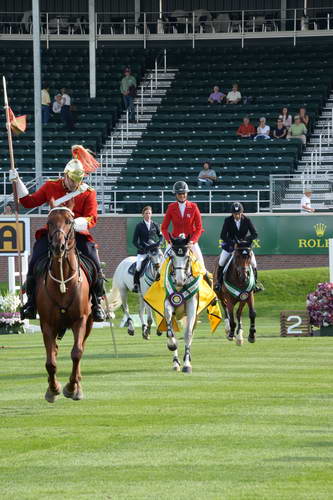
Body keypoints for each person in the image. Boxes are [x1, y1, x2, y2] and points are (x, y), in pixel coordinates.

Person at [9, 145, 105, 322]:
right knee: (35, 258)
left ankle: (97, 302)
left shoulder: (88, 193)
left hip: (77, 233)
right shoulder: (51, 186)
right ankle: (31, 303)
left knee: (94, 260)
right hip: (53, 233)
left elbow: (92, 218)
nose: (74, 184)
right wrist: (18, 182)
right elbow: (29, 202)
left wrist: (79, 223)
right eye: (71, 180)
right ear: (65, 175)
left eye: (78, 181)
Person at [161, 181, 212, 287]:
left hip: (190, 242)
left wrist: (192, 241)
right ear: (176, 195)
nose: (182, 195)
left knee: (201, 265)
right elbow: (164, 228)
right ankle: (159, 282)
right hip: (175, 242)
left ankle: (208, 284)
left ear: (187, 194)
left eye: (184, 193)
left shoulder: (193, 207)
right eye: (180, 194)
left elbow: (199, 228)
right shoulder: (171, 207)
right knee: (162, 262)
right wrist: (169, 240)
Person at [214, 202, 263, 293]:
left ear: (242, 212)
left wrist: (245, 240)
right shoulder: (228, 220)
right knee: (221, 262)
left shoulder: (247, 220)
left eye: (239, 213)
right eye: (235, 214)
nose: (237, 216)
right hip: (231, 246)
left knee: (253, 263)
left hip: (244, 247)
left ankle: (255, 284)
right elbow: (223, 235)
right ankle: (219, 283)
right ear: (232, 213)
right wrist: (232, 243)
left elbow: (255, 234)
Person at [132, 206, 163, 292]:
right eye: (146, 213)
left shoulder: (155, 224)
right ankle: (136, 284)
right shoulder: (139, 226)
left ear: (151, 214)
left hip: (154, 249)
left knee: (162, 259)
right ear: (143, 215)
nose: (148, 215)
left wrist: (159, 242)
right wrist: (141, 248)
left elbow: (161, 236)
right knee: (138, 266)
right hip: (143, 250)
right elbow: (134, 241)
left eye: (149, 213)